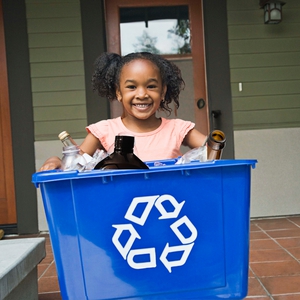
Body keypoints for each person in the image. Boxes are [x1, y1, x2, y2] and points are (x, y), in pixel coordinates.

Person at [39, 52, 207, 171]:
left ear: (163, 92)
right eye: (132, 87)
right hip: (121, 211)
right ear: (119, 92)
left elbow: (214, 149)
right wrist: (55, 161)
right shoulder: (104, 131)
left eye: (151, 86)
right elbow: (75, 163)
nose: (142, 94)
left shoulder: (177, 129)